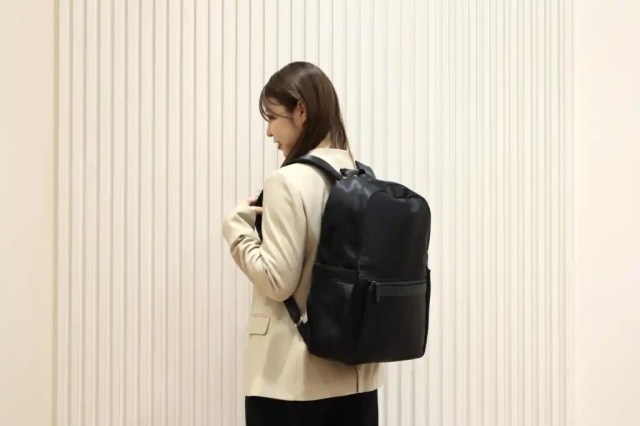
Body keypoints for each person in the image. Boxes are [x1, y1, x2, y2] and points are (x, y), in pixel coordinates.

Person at [222, 61, 384, 426]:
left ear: (301, 111)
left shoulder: (288, 181)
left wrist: (237, 229)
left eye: (273, 117)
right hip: (358, 379)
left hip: (292, 381)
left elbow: (277, 281)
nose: (269, 131)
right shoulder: (361, 177)